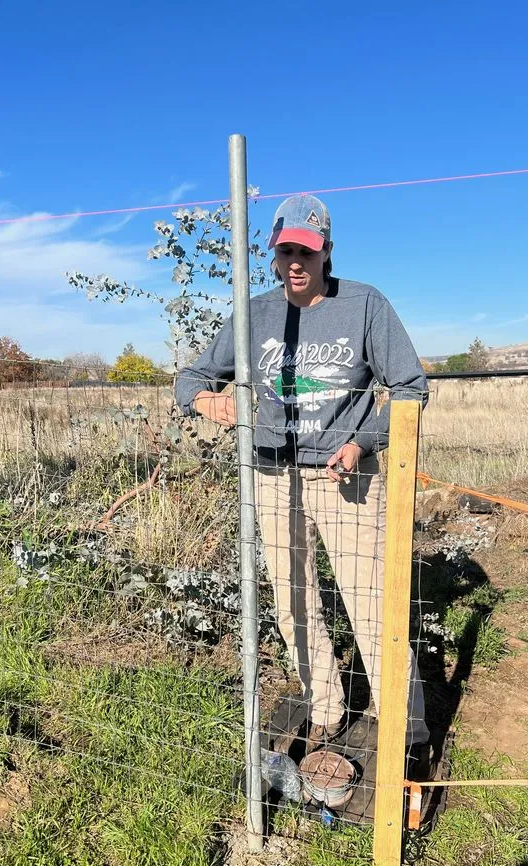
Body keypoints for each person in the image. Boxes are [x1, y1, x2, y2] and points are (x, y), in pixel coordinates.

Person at [174, 194, 429, 751]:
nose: (296, 262)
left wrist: (362, 442)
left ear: (327, 252)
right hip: (271, 478)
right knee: (293, 603)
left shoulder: (364, 305)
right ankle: (325, 710)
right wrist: (207, 401)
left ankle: (406, 734)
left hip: (346, 480)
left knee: (372, 605)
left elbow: (411, 389)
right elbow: (190, 378)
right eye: (286, 250)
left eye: (307, 252)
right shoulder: (255, 314)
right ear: (273, 252)